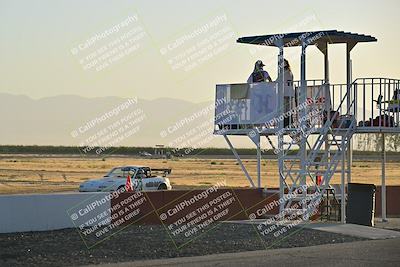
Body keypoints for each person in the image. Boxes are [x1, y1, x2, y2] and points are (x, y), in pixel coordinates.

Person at [276, 59, 295, 127]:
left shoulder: (283, 72)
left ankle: (285, 123)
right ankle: (289, 123)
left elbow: (277, 81)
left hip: (284, 93)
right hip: (290, 93)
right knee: (289, 109)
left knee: (284, 109)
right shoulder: (290, 72)